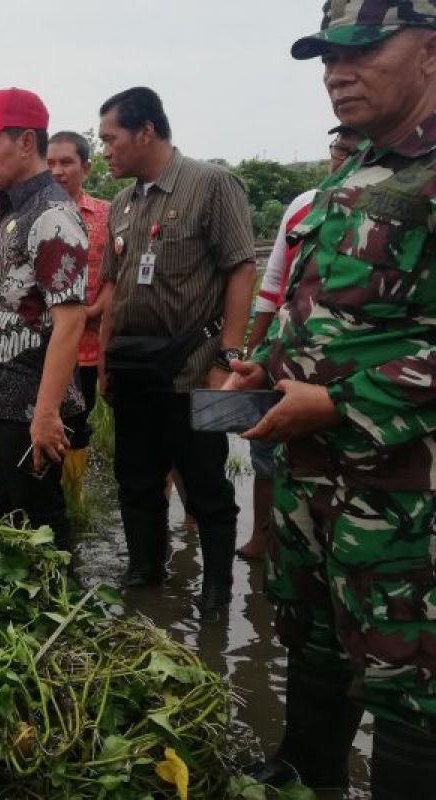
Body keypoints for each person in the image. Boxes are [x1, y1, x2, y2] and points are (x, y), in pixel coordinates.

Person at [226, 4, 436, 795]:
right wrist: (266, 366)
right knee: (313, 637)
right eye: (325, 57)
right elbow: (333, 311)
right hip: (318, 478)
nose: (336, 73)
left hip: (406, 491)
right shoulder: (356, 169)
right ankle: (304, 773)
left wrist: (341, 401)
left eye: (362, 50)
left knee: (409, 674)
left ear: (428, 51)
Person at [95, 87, 257, 610]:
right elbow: (113, 289)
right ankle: (145, 576)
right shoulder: (122, 203)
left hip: (193, 368)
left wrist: (227, 359)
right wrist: (103, 361)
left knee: (207, 483)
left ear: (146, 132)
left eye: (110, 139)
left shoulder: (211, 185)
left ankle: (215, 594)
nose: (105, 151)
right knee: (136, 481)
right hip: (133, 370)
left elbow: (240, 267)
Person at [0, 88, 88, 550]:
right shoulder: (8, 209)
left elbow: (70, 321)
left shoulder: (51, 216)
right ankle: (22, 615)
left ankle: (61, 614)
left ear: (27, 142)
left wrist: (47, 413)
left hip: (27, 405)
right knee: (4, 516)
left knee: (40, 522)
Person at [236, 124, 365, 561]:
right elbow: (274, 288)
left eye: (351, 149)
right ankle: (266, 536)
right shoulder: (304, 207)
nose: (340, 157)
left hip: (352, 380)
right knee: (268, 450)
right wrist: (256, 357)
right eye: (336, 147)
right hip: (287, 358)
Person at [46, 131, 111, 508]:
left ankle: (72, 496)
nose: (57, 171)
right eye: (50, 163)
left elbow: (114, 276)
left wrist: (89, 312)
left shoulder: (105, 214)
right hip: (39, 345)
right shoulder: (31, 213)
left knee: (78, 421)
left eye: (66, 162)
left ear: (85, 167)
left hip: (86, 346)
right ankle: (47, 494)